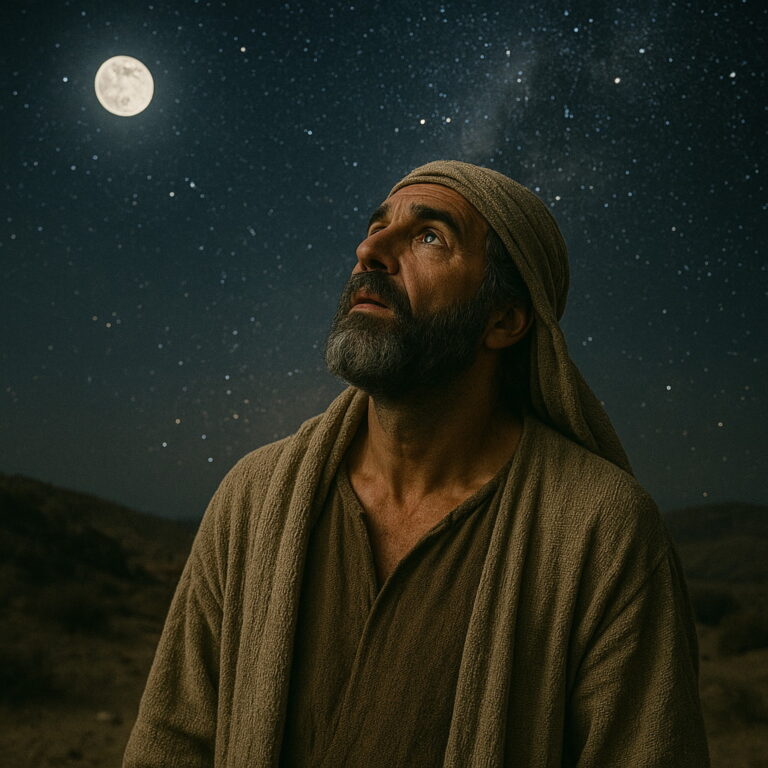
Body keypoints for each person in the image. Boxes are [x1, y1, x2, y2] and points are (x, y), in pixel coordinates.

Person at [123, 160, 710, 767]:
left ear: (504, 320)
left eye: (430, 236)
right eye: (377, 227)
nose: (369, 250)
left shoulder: (600, 529)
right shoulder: (255, 495)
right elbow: (170, 740)